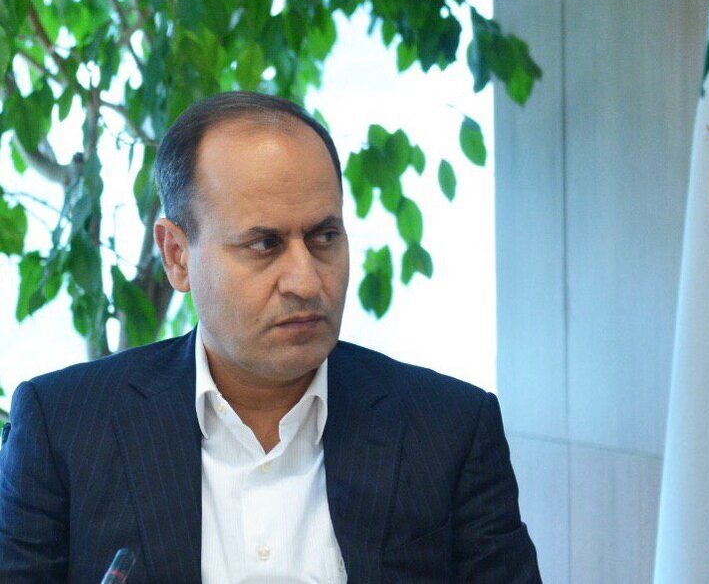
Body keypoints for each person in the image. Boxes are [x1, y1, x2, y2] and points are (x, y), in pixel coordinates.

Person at [0, 92, 540, 583]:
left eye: (324, 237)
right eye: (264, 245)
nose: (306, 281)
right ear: (177, 256)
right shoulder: (64, 427)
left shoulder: (448, 429)